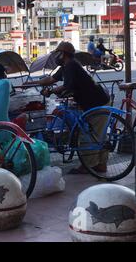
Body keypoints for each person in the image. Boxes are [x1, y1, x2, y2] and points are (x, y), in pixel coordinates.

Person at [25, 42, 110, 174]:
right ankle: (100, 165)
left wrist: (52, 91)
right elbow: (51, 79)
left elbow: (67, 86)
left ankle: (88, 167)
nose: (56, 57)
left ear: (63, 54)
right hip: (95, 101)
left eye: (58, 54)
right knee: (98, 134)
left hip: (96, 103)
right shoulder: (66, 65)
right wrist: (31, 83)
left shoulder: (71, 65)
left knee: (88, 135)